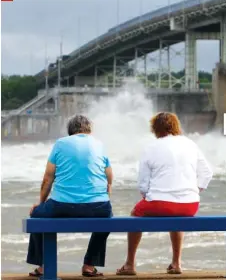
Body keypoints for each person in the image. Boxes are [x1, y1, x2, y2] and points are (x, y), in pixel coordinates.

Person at [117, 112, 213, 276]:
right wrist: (195, 190)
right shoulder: (190, 144)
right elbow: (207, 173)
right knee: (177, 218)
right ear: (176, 126)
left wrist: (150, 197)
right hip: (189, 206)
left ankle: (129, 264)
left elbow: (142, 184)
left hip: (159, 204)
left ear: (155, 128)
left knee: (135, 214)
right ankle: (176, 263)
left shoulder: (150, 148)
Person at [27, 115, 113, 278]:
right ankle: (89, 265)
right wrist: (104, 200)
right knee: (107, 217)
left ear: (70, 131)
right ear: (89, 130)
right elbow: (109, 177)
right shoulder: (99, 144)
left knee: (36, 216)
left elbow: (48, 178)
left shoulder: (61, 144)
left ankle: (43, 265)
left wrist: (41, 204)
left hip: (62, 205)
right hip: (98, 206)